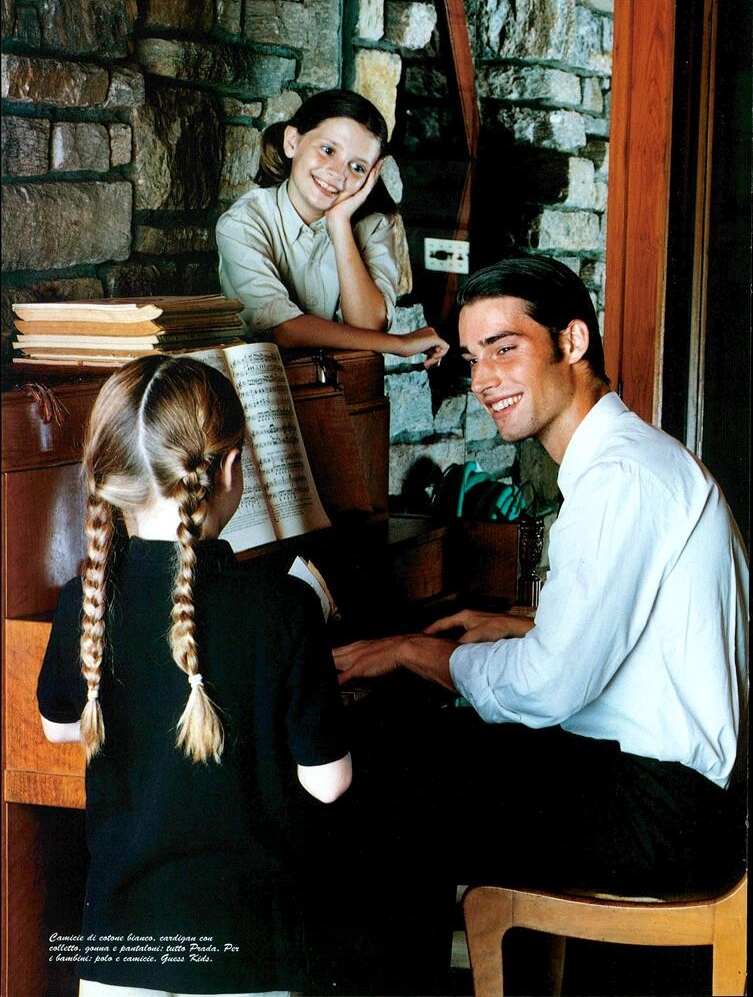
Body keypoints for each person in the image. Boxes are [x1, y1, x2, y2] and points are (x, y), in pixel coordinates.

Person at [329, 255, 748, 989]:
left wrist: (412, 652)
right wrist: (522, 627)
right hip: (661, 794)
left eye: (504, 348)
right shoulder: (625, 461)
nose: (483, 379)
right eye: (472, 358)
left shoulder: (621, 476)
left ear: (572, 342)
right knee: (413, 763)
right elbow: (615, 633)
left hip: (663, 815)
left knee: (383, 783)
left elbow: (549, 687)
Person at [37, 355, 352, 997]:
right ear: (231, 470)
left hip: (118, 951)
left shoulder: (84, 601)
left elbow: (60, 727)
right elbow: (329, 783)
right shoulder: (285, 605)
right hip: (248, 951)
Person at [216, 88, 448, 367]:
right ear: (292, 142)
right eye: (328, 150)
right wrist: (399, 344)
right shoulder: (243, 222)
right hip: (264, 384)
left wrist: (339, 224)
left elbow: (369, 328)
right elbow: (284, 329)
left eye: (358, 167)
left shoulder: (374, 225)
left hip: (346, 385)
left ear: (372, 176)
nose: (338, 173)